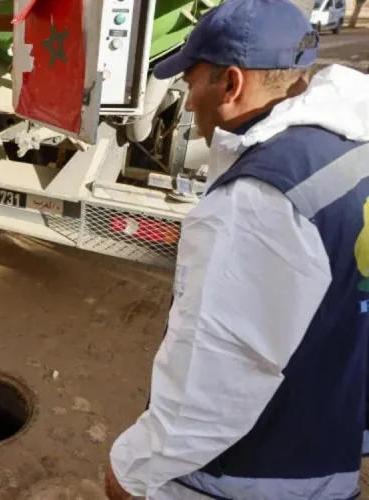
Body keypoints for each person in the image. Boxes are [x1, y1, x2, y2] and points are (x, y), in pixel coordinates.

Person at [103, 0, 369, 498]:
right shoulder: (352, 148)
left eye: (191, 84)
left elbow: (214, 376)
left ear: (231, 84)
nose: (186, 105)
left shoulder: (257, 201)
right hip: (329, 448)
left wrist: (132, 469)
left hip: (251, 474)